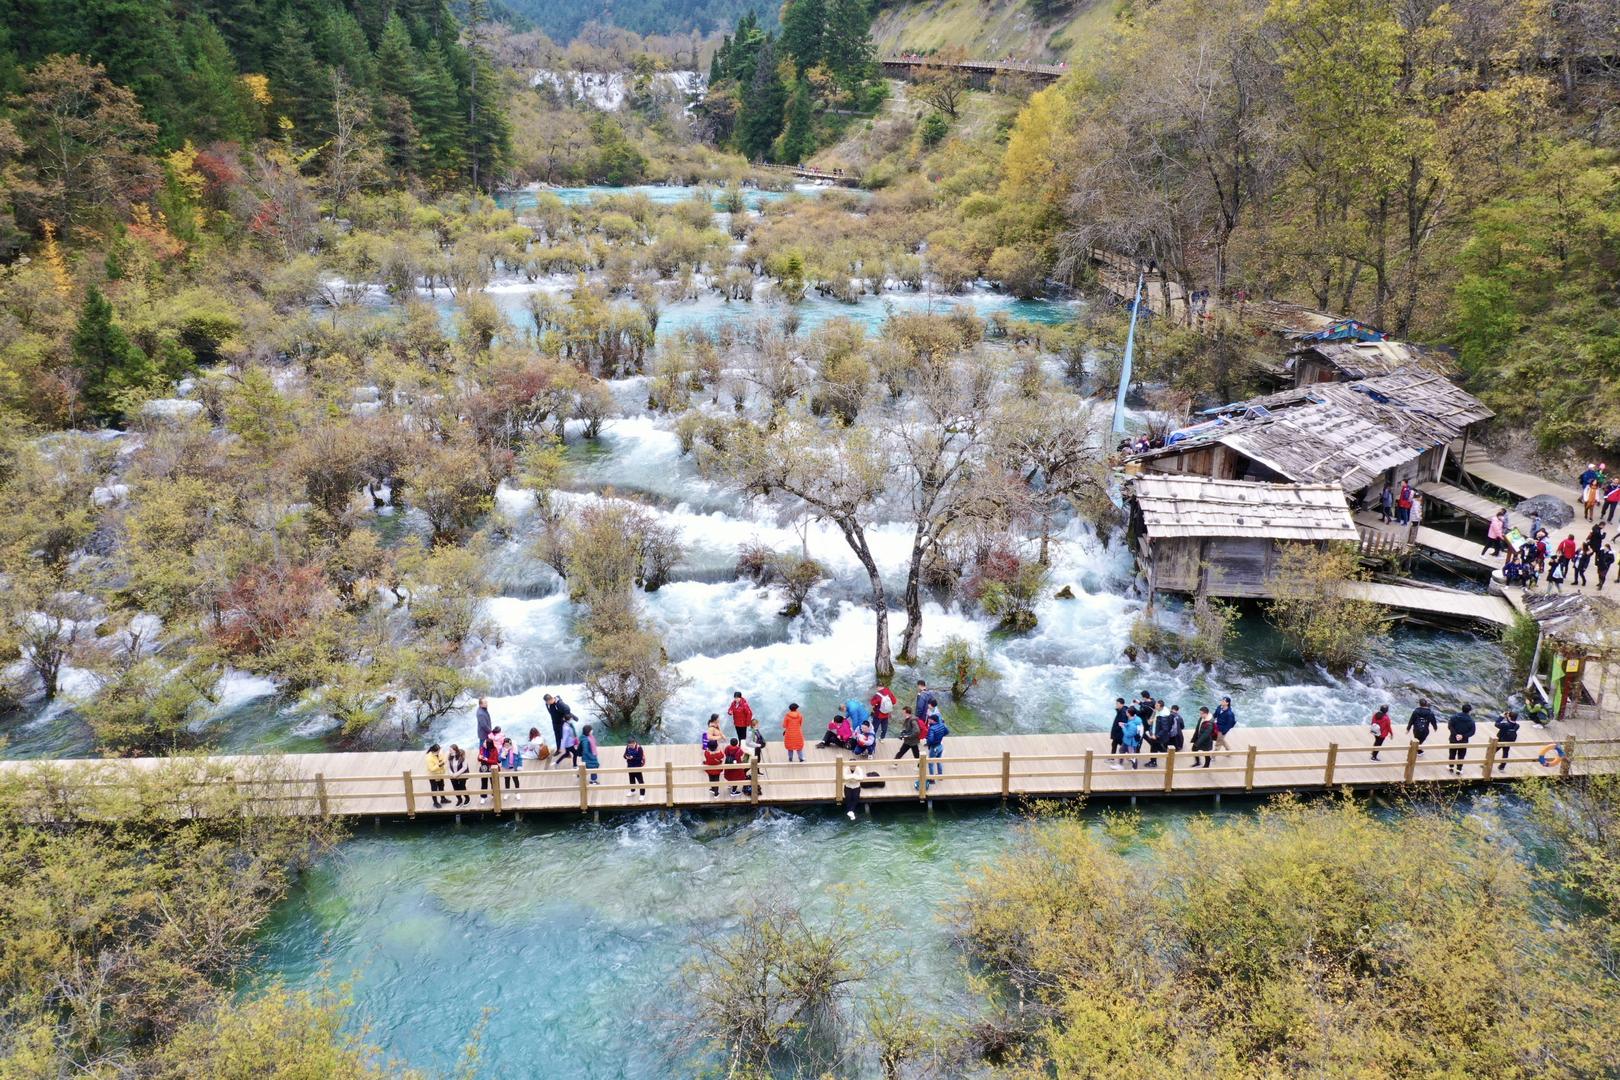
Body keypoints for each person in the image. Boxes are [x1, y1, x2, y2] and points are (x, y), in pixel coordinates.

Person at [1447, 704, 1475, 774]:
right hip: (1464, 740)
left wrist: (1456, 734)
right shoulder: (1471, 721)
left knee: (1452, 753)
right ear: (1469, 711)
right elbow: (1472, 732)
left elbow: (1450, 726)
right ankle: (1459, 769)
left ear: (1462, 709)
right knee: (1461, 754)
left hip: (1453, 738)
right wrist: (1463, 736)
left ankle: (1451, 766)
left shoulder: (1454, 717)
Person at [924, 710, 948, 783]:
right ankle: (940, 776)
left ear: (933, 721)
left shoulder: (932, 729)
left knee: (930, 764)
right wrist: (940, 736)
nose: (928, 720)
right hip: (940, 746)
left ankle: (932, 780)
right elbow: (947, 731)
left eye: (930, 719)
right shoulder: (942, 725)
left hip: (934, 747)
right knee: (938, 761)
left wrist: (928, 742)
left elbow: (930, 740)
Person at [498, 737, 523, 802]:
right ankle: (507, 792)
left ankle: (517, 793)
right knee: (507, 780)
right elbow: (499, 759)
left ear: (510, 744)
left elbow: (520, 758)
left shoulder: (515, 749)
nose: (506, 746)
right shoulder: (502, 749)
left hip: (513, 767)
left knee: (515, 779)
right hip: (506, 768)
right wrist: (504, 754)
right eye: (505, 745)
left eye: (507, 745)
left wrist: (519, 766)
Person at [477, 736, 499, 804]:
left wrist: (486, 759)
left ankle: (494, 794)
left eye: (484, 743)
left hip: (492, 768)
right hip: (484, 767)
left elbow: (495, 761)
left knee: (493, 782)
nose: (483, 743)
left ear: (488, 744)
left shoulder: (494, 750)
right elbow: (478, 759)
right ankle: (483, 797)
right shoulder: (482, 749)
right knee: (484, 782)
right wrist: (480, 757)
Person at [425, 743, 448, 808]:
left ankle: (443, 799)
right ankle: (435, 802)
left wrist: (443, 762)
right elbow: (431, 769)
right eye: (438, 751)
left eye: (439, 750)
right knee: (434, 789)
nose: (439, 752)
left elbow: (443, 759)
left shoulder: (439, 754)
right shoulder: (429, 758)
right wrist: (440, 765)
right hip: (433, 776)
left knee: (441, 786)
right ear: (433, 751)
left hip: (440, 774)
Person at [1109, 698, 1128, 767]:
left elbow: (1123, 723)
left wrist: (1117, 729)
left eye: (1117, 704)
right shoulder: (1121, 710)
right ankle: (1112, 758)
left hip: (1119, 733)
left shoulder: (1123, 712)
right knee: (1114, 744)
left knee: (1122, 747)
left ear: (1121, 704)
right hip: (1118, 733)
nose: (1116, 705)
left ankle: (1130, 756)